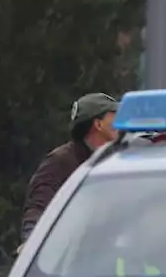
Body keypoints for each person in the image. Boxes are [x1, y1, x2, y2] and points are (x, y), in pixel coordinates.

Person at [20, 93, 118, 245]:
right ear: (98, 124)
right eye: (114, 116)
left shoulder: (119, 159)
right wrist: (32, 244)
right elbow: (38, 210)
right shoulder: (60, 161)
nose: (121, 122)